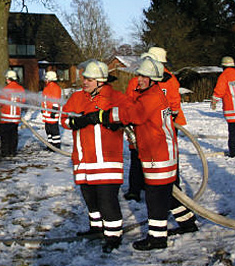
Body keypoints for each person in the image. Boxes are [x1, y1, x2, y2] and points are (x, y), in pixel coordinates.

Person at [83, 57, 195, 251]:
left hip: (157, 156)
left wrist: (102, 116)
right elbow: (134, 113)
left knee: (155, 197)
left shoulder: (151, 97)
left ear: (154, 79)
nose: (139, 79)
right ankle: (187, 222)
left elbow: (132, 115)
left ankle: (157, 238)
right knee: (166, 193)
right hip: (161, 153)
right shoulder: (152, 94)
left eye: (144, 76)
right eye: (139, 75)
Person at [59, 60, 124, 253]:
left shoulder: (114, 96)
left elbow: (128, 114)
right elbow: (63, 118)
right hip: (83, 159)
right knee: (90, 197)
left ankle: (113, 235)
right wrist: (74, 122)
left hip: (106, 159)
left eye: (89, 79)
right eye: (84, 78)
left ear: (101, 81)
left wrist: (109, 118)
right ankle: (96, 228)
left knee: (106, 199)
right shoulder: (77, 97)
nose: (84, 82)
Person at [123, 47, 186, 202]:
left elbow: (128, 104)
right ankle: (171, 188)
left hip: (145, 126)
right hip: (164, 126)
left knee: (139, 157)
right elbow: (174, 103)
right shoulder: (170, 79)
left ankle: (137, 189)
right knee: (167, 158)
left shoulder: (138, 81)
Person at [0, 70, 25, 157]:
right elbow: (22, 101)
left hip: (6, 118)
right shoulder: (21, 89)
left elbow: (1, 103)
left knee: (5, 136)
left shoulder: (5, 89)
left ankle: (5, 152)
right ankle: (13, 152)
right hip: (15, 118)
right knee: (13, 135)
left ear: (8, 79)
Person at [41, 71, 63, 151]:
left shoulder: (55, 88)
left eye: (46, 79)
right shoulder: (47, 87)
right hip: (47, 113)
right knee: (48, 129)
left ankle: (56, 146)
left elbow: (56, 100)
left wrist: (54, 110)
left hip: (52, 113)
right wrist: (42, 108)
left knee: (54, 130)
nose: (45, 80)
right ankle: (50, 145)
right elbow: (44, 99)